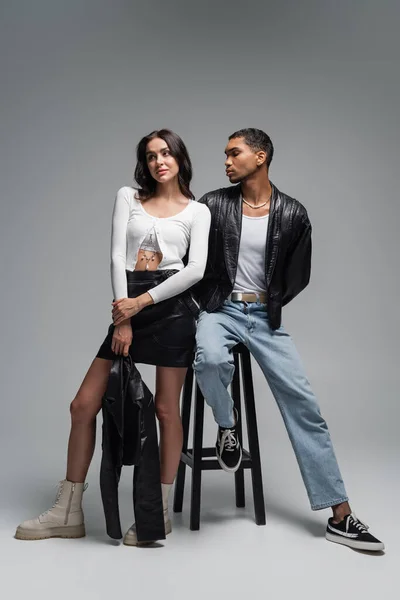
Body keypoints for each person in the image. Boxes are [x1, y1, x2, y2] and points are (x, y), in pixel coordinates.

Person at [15, 129, 211, 545]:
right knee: (83, 404)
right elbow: (117, 256)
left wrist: (142, 304)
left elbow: (195, 271)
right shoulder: (129, 197)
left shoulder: (198, 212)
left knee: (165, 410)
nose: (159, 160)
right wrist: (124, 314)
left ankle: (156, 512)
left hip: (172, 309)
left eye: (166, 152)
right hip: (129, 307)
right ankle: (68, 512)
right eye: (151, 155)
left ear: (179, 157)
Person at [193, 128, 384, 552]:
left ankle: (340, 515)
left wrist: (270, 303)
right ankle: (228, 425)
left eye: (234, 153)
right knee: (207, 360)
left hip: (264, 316)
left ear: (260, 157)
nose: (225, 161)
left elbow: (299, 274)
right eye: (225, 154)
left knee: (305, 406)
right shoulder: (213, 204)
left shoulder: (294, 214)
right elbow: (192, 260)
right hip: (220, 310)